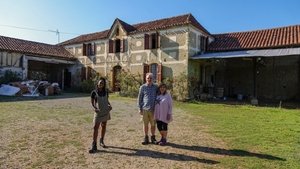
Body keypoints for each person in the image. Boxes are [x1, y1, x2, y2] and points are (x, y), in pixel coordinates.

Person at [89, 77, 112, 153]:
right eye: (100, 82)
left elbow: (107, 100)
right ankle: (94, 144)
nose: (101, 84)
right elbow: (92, 103)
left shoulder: (106, 91)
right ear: (97, 83)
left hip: (105, 111)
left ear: (104, 84)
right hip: (98, 112)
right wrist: (94, 108)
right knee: (95, 127)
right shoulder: (94, 92)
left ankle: (101, 140)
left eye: (102, 83)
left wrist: (110, 105)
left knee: (104, 125)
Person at [137, 73, 158, 145]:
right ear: (146, 79)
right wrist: (139, 109)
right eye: (148, 78)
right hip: (145, 109)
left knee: (153, 124)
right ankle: (146, 138)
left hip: (153, 109)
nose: (149, 79)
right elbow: (139, 98)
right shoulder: (142, 87)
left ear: (153, 79)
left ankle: (153, 138)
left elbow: (159, 96)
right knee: (145, 124)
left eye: (150, 78)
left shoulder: (156, 87)